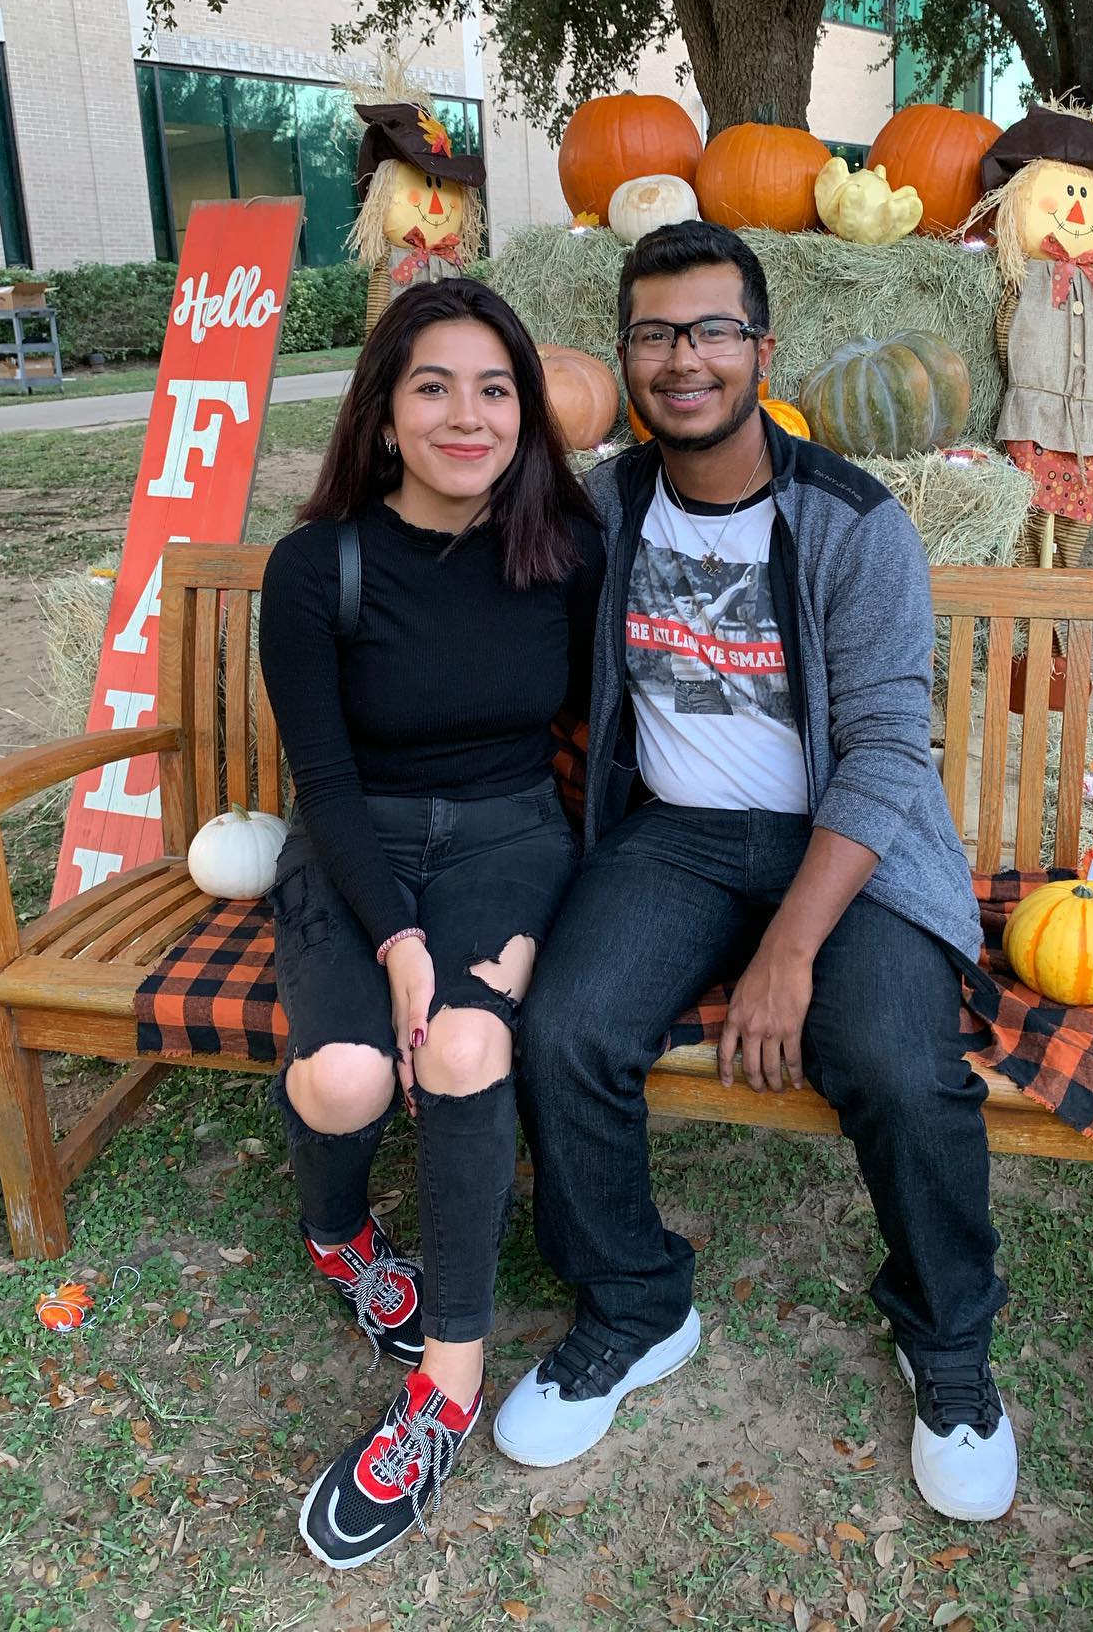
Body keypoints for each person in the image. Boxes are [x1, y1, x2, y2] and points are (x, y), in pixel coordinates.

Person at [496, 220, 1018, 1524]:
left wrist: (791, 947)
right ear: (625, 356)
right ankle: (633, 1303)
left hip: (850, 846)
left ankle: (948, 1342)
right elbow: (479, 582)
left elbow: (892, 746)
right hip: (673, 838)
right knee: (561, 1028)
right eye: (656, 333)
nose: (684, 358)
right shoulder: (608, 502)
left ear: (760, 348)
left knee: (901, 1064)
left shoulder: (853, 523)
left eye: (712, 329)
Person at [258, 276, 602, 1568]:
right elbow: (326, 784)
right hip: (357, 846)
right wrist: (399, 942)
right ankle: (341, 1232)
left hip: (512, 838)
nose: (470, 416)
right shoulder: (316, 568)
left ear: (528, 412)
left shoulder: (562, 549)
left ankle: (446, 1385)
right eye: (434, 387)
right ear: (385, 415)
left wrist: (533, 924)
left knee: (464, 1051)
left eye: (496, 389)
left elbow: (610, 734)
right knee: (345, 1078)